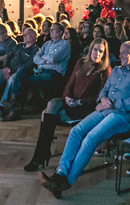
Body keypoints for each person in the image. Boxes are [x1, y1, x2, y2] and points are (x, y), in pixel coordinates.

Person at [38, 41, 130, 198]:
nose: (119, 55)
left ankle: (67, 182)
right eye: (119, 52)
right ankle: (61, 172)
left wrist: (110, 104)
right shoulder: (117, 70)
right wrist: (103, 99)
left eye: (123, 53)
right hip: (105, 110)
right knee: (76, 131)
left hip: (122, 117)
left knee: (90, 138)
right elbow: (103, 92)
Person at [24, 38, 112, 171]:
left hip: (84, 107)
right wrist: (67, 97)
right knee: (52, 103)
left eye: (101, 51)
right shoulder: (81, 62)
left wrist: (78, 102)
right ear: (90, 49)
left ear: (105, 54)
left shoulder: (105, 70)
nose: (97, 54)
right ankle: (42, 153)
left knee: (45, 114)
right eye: (95, 49)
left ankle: (40, 155)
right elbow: (69, 85)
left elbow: (99, 97)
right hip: (70, 100)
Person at [0, 22, 71, 121]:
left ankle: (15, 108)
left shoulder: (65, 44)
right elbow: (35, 58)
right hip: (40, 71)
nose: (51, 31)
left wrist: (43, 60)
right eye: (50, 29)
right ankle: (14, 101)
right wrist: (45, 61)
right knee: (21, 71)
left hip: (53, 74)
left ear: (60, 32)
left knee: (21, 80)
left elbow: (53, 58)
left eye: (53, 29)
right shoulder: (47, 44)